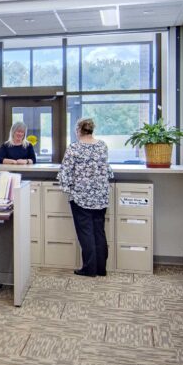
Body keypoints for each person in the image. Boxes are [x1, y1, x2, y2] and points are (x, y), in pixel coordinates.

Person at [58, 117, 113, 277]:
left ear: (78, 131)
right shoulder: (102, 145)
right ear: (91, 130)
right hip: (100, 195)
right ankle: (101, 268)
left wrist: (66, 188)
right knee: (99, 231)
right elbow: (105, 167)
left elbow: (65, 172)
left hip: (81, 197)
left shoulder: (74, 148)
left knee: (86, 232)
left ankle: (89, 268)